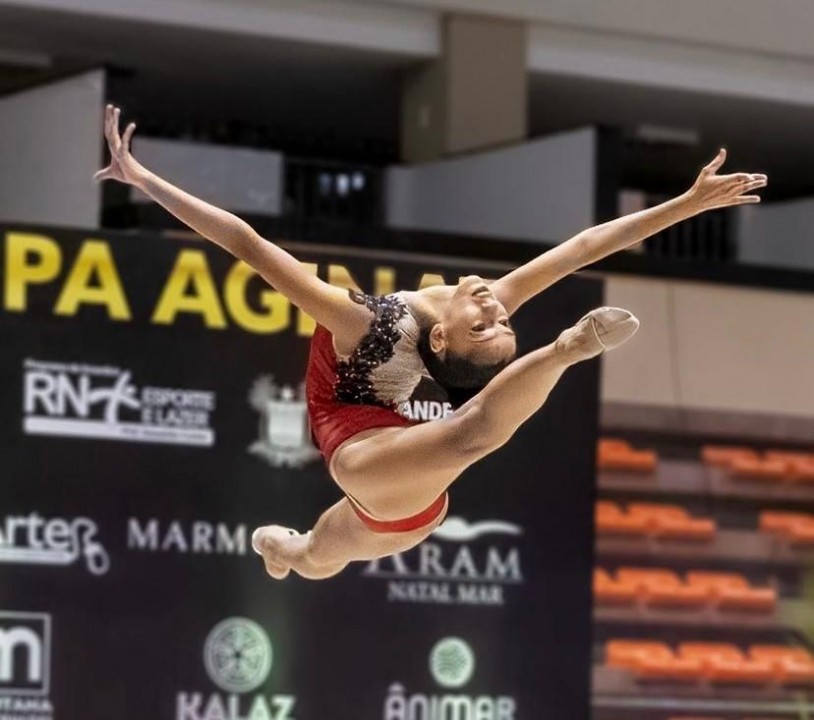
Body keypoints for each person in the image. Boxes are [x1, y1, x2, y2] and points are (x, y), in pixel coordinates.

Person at [96, 105, 767, 580]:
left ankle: (566, 350)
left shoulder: (369, 326)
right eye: (501, 324)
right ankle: (291, 553)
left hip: (369, 459)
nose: (497, 310)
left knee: (462, 439)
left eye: (490, 324)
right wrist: (687, 204)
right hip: (407, 494)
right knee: (316, 556)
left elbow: (248, 243)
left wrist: (144, 180)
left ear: (444, 338)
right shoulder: (457, 310)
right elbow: (586, 247)